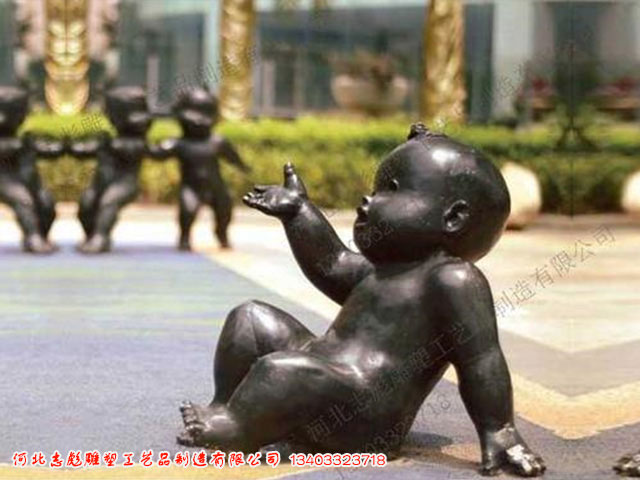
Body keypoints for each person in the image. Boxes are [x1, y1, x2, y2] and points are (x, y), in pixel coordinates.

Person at [177, 123, 545, 477]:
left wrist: (500, 431)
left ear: (453, 217)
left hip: (363, 413)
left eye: (392, 189)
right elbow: (332, 263)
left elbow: (482, 360)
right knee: (250, 319)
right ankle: (225, 404)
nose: (369, 199)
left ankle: (237, 429)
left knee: (283, 371)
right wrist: (299, 212)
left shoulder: (452, 280)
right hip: (327, 371)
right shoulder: (383, 268)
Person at [148, 89, 250, 250]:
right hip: (191, 187)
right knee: (187, 211)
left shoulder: (217, 142)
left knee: (224, 210)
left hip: (216, 186)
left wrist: (243, 166)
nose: (198, 121)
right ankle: (184, 236)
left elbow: (232, 157)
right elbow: (157, 153)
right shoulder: (179, 144)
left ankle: (221, 233)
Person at [69, 86, 152, 253]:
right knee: (86, 203)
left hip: (125, 183)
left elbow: (128, 150)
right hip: (99, 184)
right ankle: (91, 234)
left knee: (109, 201)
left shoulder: (136, 142)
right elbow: (86, 149)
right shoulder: (106, 139)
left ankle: (100, 236)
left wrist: (108, 145)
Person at [0, 86, 63, 253]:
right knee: (23, 200)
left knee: (46, 202)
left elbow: (47, 149)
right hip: (5, 179)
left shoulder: (27, 138)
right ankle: (33, 237)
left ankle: (42, 235)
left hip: (28, 179)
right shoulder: (16, 143)